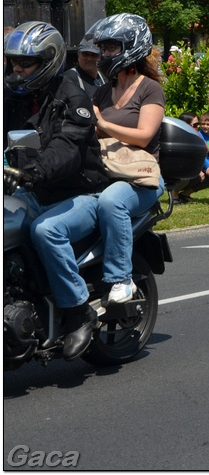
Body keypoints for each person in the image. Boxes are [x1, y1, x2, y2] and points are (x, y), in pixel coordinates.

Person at [3, 21, 111, 361]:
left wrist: (32, 171)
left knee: (45, 230)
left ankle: (78, 311)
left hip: (78, 192)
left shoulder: (72, 97)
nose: (16, 68)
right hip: (35, 190)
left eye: (25, 63)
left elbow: (66, 149)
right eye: (12, 62)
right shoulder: (15, 95)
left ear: (48, 60)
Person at [90, 13, 166, 306]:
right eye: (103, 48)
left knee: (112, 202)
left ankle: (121, 279)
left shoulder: (150, 88)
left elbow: (144, 135)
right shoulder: (102, 91)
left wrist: (103, 124)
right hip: (107, 170)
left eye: (111, 48)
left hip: (141, 178)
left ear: (132, 47)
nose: (104, 54)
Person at [65, 33, 107, 98]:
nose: (89, 58)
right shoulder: (69, 78)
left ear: (100, 57)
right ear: (78, 55)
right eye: (85, 54)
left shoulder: (104, 79)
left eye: (94, 55)